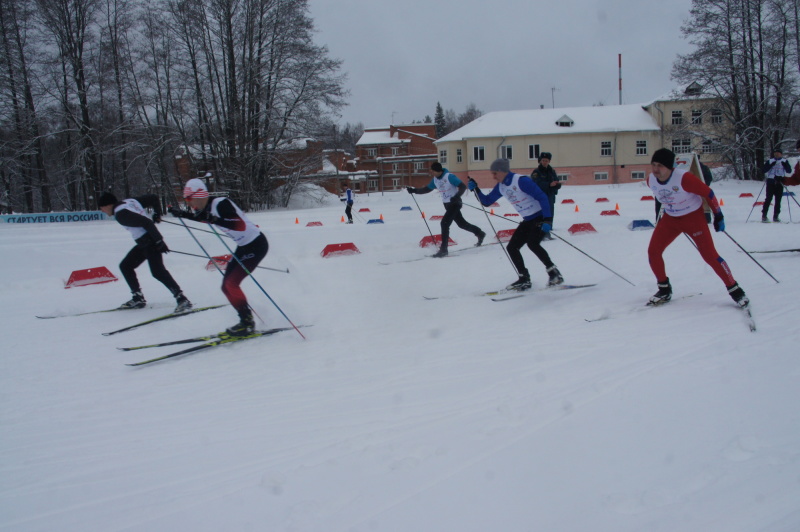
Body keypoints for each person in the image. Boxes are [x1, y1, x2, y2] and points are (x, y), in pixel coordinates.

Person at [646, 148, 748, 308]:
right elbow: (660, 196)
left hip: (693, 218)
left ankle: (735, 289)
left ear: (670, 167)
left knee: (709, 255)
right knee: (653, 251)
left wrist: (718, 215)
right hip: (671, 219)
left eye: (660, 165)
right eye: (653, 165)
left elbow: (709, 193)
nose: (656, 169)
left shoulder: (684, 178)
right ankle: (664, 289)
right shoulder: (650, 179)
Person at [169, 178, 268, 336]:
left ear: (200, 195)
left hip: (256, 244)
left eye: (189, 198)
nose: (188, 203)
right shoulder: (206, 207)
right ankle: (245, 320)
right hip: (244, 247)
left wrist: (213, 219)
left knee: (231, 284)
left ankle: (247, 324)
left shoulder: (221, 203)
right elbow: (203, 217)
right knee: (225, 286)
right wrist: (182, 214)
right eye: (185, 200)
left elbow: (239, 225)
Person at [468, 158, 563, 291]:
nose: (494, 177)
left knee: (533, 244)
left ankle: (554, 273)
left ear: (502, 171)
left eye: (495, 173)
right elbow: (487, 201)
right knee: (512, 247)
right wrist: (476, 189)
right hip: (528, 220)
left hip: (540, 216)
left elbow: (542, 197)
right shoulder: (501, 186)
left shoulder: (520, 181)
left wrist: (547, 219)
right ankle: (524, 278)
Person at [98, 192, 192, 313]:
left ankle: (182, 299)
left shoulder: (121, 214)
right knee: (126, 266)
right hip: (144, 243)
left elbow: (146, 222)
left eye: (102, 208)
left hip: (149, 242)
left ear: (108, 205)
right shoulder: (129, 202)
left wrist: (159, 241)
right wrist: (157, 212)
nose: (102, 211)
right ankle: (138, 298)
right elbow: (153, 198)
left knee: (158, 272)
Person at [406, 161, 485, 257]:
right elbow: (427, 189)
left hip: (455, 203)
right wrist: (414, 190)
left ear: (439, 171)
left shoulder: (449, 176)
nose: (433, 173)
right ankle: (480, 233)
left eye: (434, 171)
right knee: (462, 224)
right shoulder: (435, 179)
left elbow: (462, 186)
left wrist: (457, 196)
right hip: (447, 205)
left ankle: (443, 250)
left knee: (444, 223)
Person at [530, 151, 561, 239]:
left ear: (549, 161)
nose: (544, 162)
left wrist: (557, 185)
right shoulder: (536, 172)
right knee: (541, 214)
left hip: (550, 196)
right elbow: (536, 183)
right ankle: (540, 232)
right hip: (540, 197)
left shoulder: (552, 171)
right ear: (540, 161)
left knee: (550, 214)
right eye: (543, 160)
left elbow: (556, 181)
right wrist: (549, 185)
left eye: (546, 160)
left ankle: (547, 231)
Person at [761, 148, 792, 222]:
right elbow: (763, 170)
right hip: (771, 181)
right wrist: (770, 165)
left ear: (781, 154)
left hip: (779, 182)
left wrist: (785, 166)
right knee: (768, 199)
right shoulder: (770, 161)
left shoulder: (784, 161)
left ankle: (776, 216)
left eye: (778, 153)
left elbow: (789, 171)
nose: (777, 154)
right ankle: (764, 215)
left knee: (778, 200)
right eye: (775, 153)